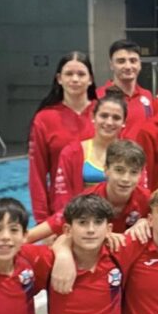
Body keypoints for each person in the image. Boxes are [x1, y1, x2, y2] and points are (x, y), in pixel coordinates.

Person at [29, 140, 151, 242]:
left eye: (133, 172)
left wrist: (146, 221)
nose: (126, 179)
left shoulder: (147, 199)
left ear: (141, 175)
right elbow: (34, 234)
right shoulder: (86, 202)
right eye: (119, 170)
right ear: (106, 170)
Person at [27, 51, 97, 224]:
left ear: (90, 79)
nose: (75, 79)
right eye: (69, 74)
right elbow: (37, 173)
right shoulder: (44, 119)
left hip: (100, 210)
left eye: (81, 74)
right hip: (60, 211)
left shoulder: (104, 114)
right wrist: (42, 219)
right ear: (59, 79)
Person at [49, 91, 127, 215]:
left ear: (124, 122)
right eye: (104, 116)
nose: (109, 122)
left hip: (122, 221)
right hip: (82, 220)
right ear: (93, 117)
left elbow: (139, 195)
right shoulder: (72, 153)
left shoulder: (132, 155)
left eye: (116, 118)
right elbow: (62, 200)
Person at [97, 40, 155, 139]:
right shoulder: (98, 96)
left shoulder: (147, 96)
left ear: (140, 64)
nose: (128, 66)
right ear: (111, 65)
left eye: (133, 61)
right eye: (121, 61)